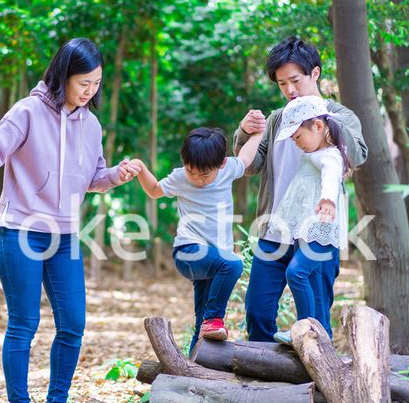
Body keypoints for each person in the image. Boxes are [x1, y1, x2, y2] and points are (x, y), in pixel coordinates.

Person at [0, 38, 140, 403]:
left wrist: (116, 174)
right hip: (21, 230)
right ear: (63, 76)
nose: (90, 91)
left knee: (73, 323)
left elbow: (93, 178)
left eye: (96, 84)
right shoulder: (28, 112)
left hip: (65, 236)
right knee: (24, 324)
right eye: (84, 83)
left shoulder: (91, 124)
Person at [233, 36, 368, 343]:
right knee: (257, 311)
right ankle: (263, 381)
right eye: (282, 84)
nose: (290, 90)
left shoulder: (338, 115)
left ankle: (318, 383)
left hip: (317, 231)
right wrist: (244, 132)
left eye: (295, 80)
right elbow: (251, 165)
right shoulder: (278, 119)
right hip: (275, 228)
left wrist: (323, 116)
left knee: (315, 315)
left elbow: (358, 155)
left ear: (315, 74)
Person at [129, 125, 265, 353]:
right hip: (188, 251)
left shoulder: (228, 169)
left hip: (213, 259)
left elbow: (246, 157)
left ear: (220, 164)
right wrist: (141, 167)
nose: (197, 179)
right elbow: (153, 190)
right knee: (233, 264)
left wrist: (258, 134)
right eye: (191, 171)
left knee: (202, 326)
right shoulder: (180, 178)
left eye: (204, 174)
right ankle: (215, 319)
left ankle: (193, 369)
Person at [264, 96, 350, 344]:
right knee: (315, 287)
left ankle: (305, 330)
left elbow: (331, 177)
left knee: (297, 272)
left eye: (298, 136)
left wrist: (327, 200)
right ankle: (320, 338)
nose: (296, 143)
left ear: (319, 126)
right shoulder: (315, 153)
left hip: (320, 230)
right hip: (307, 230)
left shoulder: (330, 155)